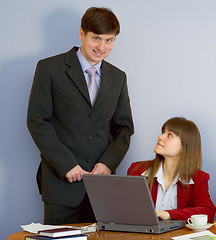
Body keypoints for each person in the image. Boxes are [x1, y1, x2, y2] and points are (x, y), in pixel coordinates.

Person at [27, 7, 134, 224]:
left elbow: (124, 129)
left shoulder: (118, 77)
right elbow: (37, 121)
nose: (102, 47)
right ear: (81, 33)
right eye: (96, 38)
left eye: (109, 40)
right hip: (61, 185)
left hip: (101, 188)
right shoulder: (49, 68)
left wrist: (108, 163)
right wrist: (65, 164)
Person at [127, 117, 216, 222]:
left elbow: (207, 212)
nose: (160, 137)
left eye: (170, 135)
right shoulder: (137, 170)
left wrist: (168, 214)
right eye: (163, 132)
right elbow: (125, 208)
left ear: (185, 146)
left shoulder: (199, 178)